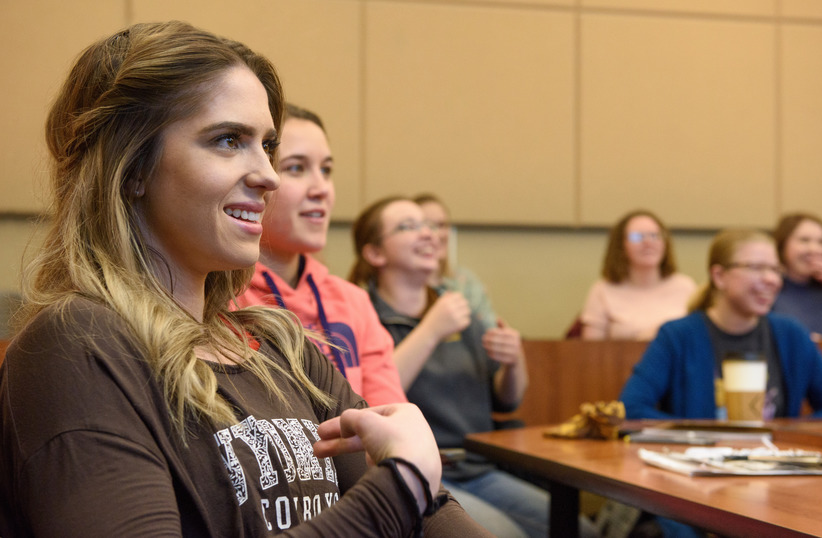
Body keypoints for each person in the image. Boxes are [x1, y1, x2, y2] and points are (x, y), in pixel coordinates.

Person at [0, 22, 491, 537]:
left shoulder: (281, 345)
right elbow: (405, 496)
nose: (269, 176)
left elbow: (429, 514)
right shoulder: (74, 346)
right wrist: (398, 489)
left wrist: (409, 491)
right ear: (131, 168)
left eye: (267, 145)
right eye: (228, 140)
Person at [348, 196, 551, 538]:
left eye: (428, 226)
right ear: (375, 254)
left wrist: (515, 361)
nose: (428, 234)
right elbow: (369, 400)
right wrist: (431, 329)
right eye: (408, 227)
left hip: (478, 467)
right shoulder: (361, 313)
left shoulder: (457, 311)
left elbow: (507, 400)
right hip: (417, 469)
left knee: (576, 526)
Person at [236, 104, 406, 407]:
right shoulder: (220, 299)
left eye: (326, 170)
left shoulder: (353, 302)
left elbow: (389, 422)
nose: (321, 189)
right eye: (296, 168)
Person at [620, 228, 822, 421]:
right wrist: (702, 436)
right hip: (697, 462)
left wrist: (782, 432)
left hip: (772, 463)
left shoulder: (791, 334)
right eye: (756, 267)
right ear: (719, 276)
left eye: (775, 270)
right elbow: (631, 409)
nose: (771, 279)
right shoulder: (677, 336)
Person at [580, 209, 696, 340]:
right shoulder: (601, 290)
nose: (648, 242)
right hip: (622, 360)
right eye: (637, 237)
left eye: (655, 235)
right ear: (621, 246)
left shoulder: (686, 287)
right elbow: (590, 352)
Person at [413, 193, 498, 331]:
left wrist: (509, 347)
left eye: (442, 225)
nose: (437, 234)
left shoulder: (466, 282)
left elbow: (488, 334)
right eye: (427, 225)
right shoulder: (404, 287)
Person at [772, 212, 822, 339]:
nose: (814, 249)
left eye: (821, 242)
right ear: (782, 246)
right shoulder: (771, 288)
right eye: (804, 240)